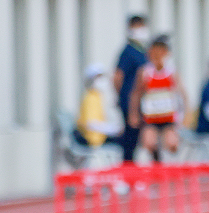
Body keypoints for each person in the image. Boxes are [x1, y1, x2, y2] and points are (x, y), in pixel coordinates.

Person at [128, 35, 187, 163]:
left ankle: (169, 165)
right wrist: (133, 114)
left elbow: (183, 94)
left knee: (172, 144)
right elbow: (136, 93)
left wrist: (186, 114)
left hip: (168, 117)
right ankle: (156, 159)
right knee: (149, 143)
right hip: (151, 118)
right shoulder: (145, 72)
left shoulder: (171, 72)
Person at [113, 15, 149, 163]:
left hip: (142, 103)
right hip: (130, 103)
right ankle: (127, 173)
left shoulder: (142, 51)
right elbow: (117, 77)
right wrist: (123, 96)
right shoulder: (128, 51)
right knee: (130, 140)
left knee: (141, 139)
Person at [75, 64, 122, 147]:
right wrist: (111, 129)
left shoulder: (97, 96)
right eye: (98, 77)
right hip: (91, 139)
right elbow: (90, 123)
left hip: (99, 138)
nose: (101, 81)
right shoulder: (90, 97)